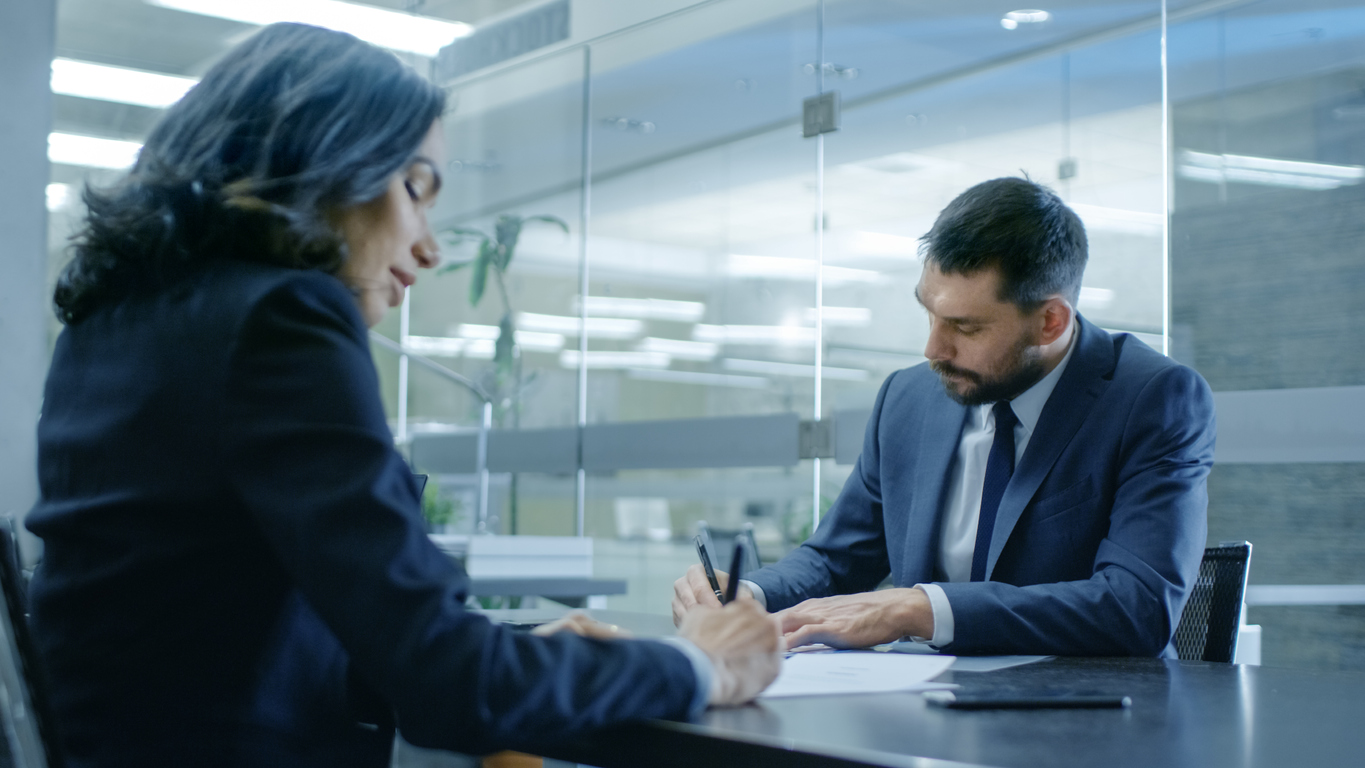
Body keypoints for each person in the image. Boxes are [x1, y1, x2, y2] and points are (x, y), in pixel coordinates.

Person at [26, 23, 780, 768]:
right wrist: (698, 665)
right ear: (326, 160)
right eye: (415, 188)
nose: (430, 245)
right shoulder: (282, 318)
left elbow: (212, 643)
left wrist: (494, 657)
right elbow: (449, 690)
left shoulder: (113, 323)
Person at [674, 177, 1215, 657]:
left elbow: (1137, 608)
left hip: (1084, 722)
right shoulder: (908, 398)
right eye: (929, 313)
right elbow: (838, 558)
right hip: (919, 708)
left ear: (1050, 321)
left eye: (966, 327)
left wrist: (918, 610)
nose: (933, 348)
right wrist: (752, 593)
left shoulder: (1153, 398)